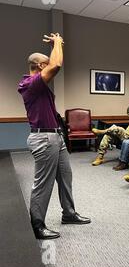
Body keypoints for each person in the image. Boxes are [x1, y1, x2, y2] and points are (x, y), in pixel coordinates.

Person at [18, 33, 90, 240]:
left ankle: (69, 214)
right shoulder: (31, 84)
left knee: (66, 177)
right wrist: (57, 42)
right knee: (44, 182)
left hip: (56, 138)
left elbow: (54, 64)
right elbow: (57, 64)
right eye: (46, 64)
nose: (51, 67)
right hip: (43, 139)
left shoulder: (39, 85)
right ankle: (37, 225)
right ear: (40, 66)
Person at [91, 98, 129, 166]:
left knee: (118, 129)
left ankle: (102, 131)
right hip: (123, 136)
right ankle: (100, 157)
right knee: (108, 135)